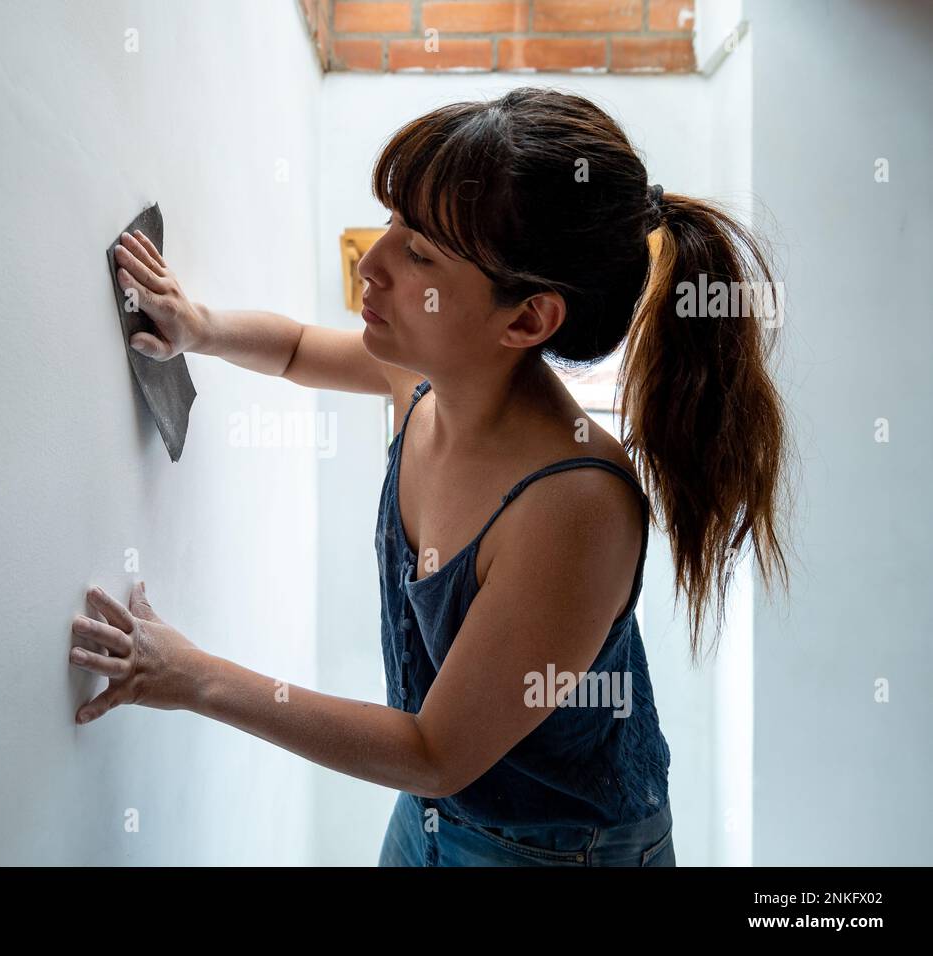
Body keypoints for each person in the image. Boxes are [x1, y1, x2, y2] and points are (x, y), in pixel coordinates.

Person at [68, 87, 795, 866]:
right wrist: (200, 327)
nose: (373, 266)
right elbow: (296, 350)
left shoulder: (575, 507)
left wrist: (194, 677)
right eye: (393, 225)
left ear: (527, 320)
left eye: (419, 252)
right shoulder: (420, 380)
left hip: (557, 851)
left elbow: (434, 749)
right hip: (435, 813)